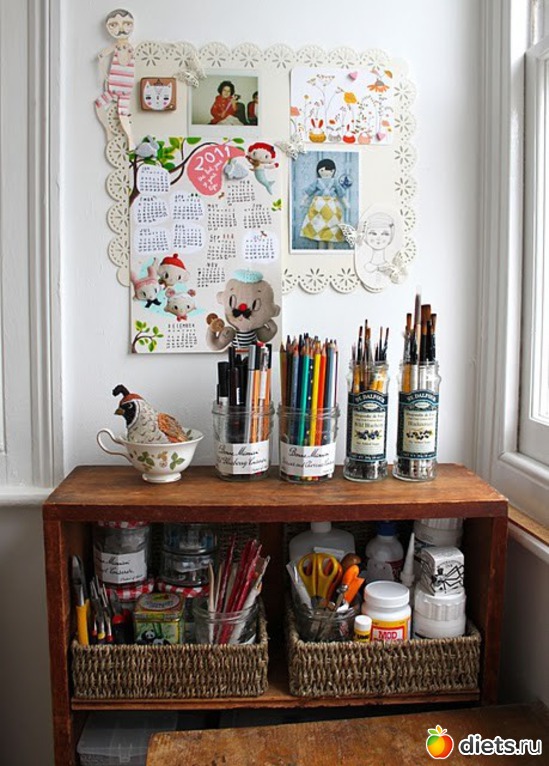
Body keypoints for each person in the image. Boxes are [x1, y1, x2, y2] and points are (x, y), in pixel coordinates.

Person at [94, 8, 136, 148]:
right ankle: (108, 131)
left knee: (122, 114)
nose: (121, 29)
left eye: (126, 23)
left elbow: (102, 57)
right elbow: (100, 57)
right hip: (113, 88)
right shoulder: (116, 47)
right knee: (99, 104)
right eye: (114, 25)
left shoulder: (131, 47)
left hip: (124, 89)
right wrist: (104, 75)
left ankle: (130, 140)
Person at [300, 158, 349, 248]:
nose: (324, 172)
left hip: (332, 207)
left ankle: (331, 247)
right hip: (319, 206)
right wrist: (304, 200)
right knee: (319, 226)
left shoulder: (334, 182)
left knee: (332, 226)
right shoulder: (317, 181)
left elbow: (340, 193)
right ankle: (321, 247)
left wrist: (345, 203)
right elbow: (309, 191)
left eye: (327, 170)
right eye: (321, 170)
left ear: (333, 171)